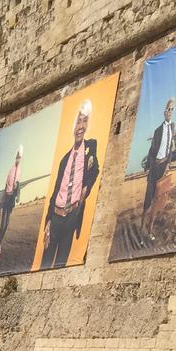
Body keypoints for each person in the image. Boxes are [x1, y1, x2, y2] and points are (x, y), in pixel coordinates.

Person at [42, 99, 100, 269]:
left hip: (71, 218)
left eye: (84, 121)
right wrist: (48, 221)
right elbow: (55, 192)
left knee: (61, 266)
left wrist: (86, 188)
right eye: (78, 121)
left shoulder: (90, 149)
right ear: (73, 126)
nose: (81, 126)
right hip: (56, 217)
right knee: (45, 264)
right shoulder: (64, 160)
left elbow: (95, 170)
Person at [140, 97, 175, 245]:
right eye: (168, 109)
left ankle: (150, 229)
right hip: (155, 167)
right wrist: (149, 167)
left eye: (172, 109)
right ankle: (141, 229)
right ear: (164, 111)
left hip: (163, 167)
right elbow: (152, 150)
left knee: (158, 199)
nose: (170, 112)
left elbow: (171, 148)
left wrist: (168, 164)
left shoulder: (173, 126)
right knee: (148, 199)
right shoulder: (158, 130)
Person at [0, 147, 23, 262]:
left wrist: (16, 191)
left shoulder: (19, 170)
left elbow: (17, 185)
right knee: (3, 225)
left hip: (10, 202)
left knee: (5, 226)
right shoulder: (11, 170)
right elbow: (7, 186)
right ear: (15, 157)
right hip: (6, 200)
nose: (18, 159)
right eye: (17, 157)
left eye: (19, 157)